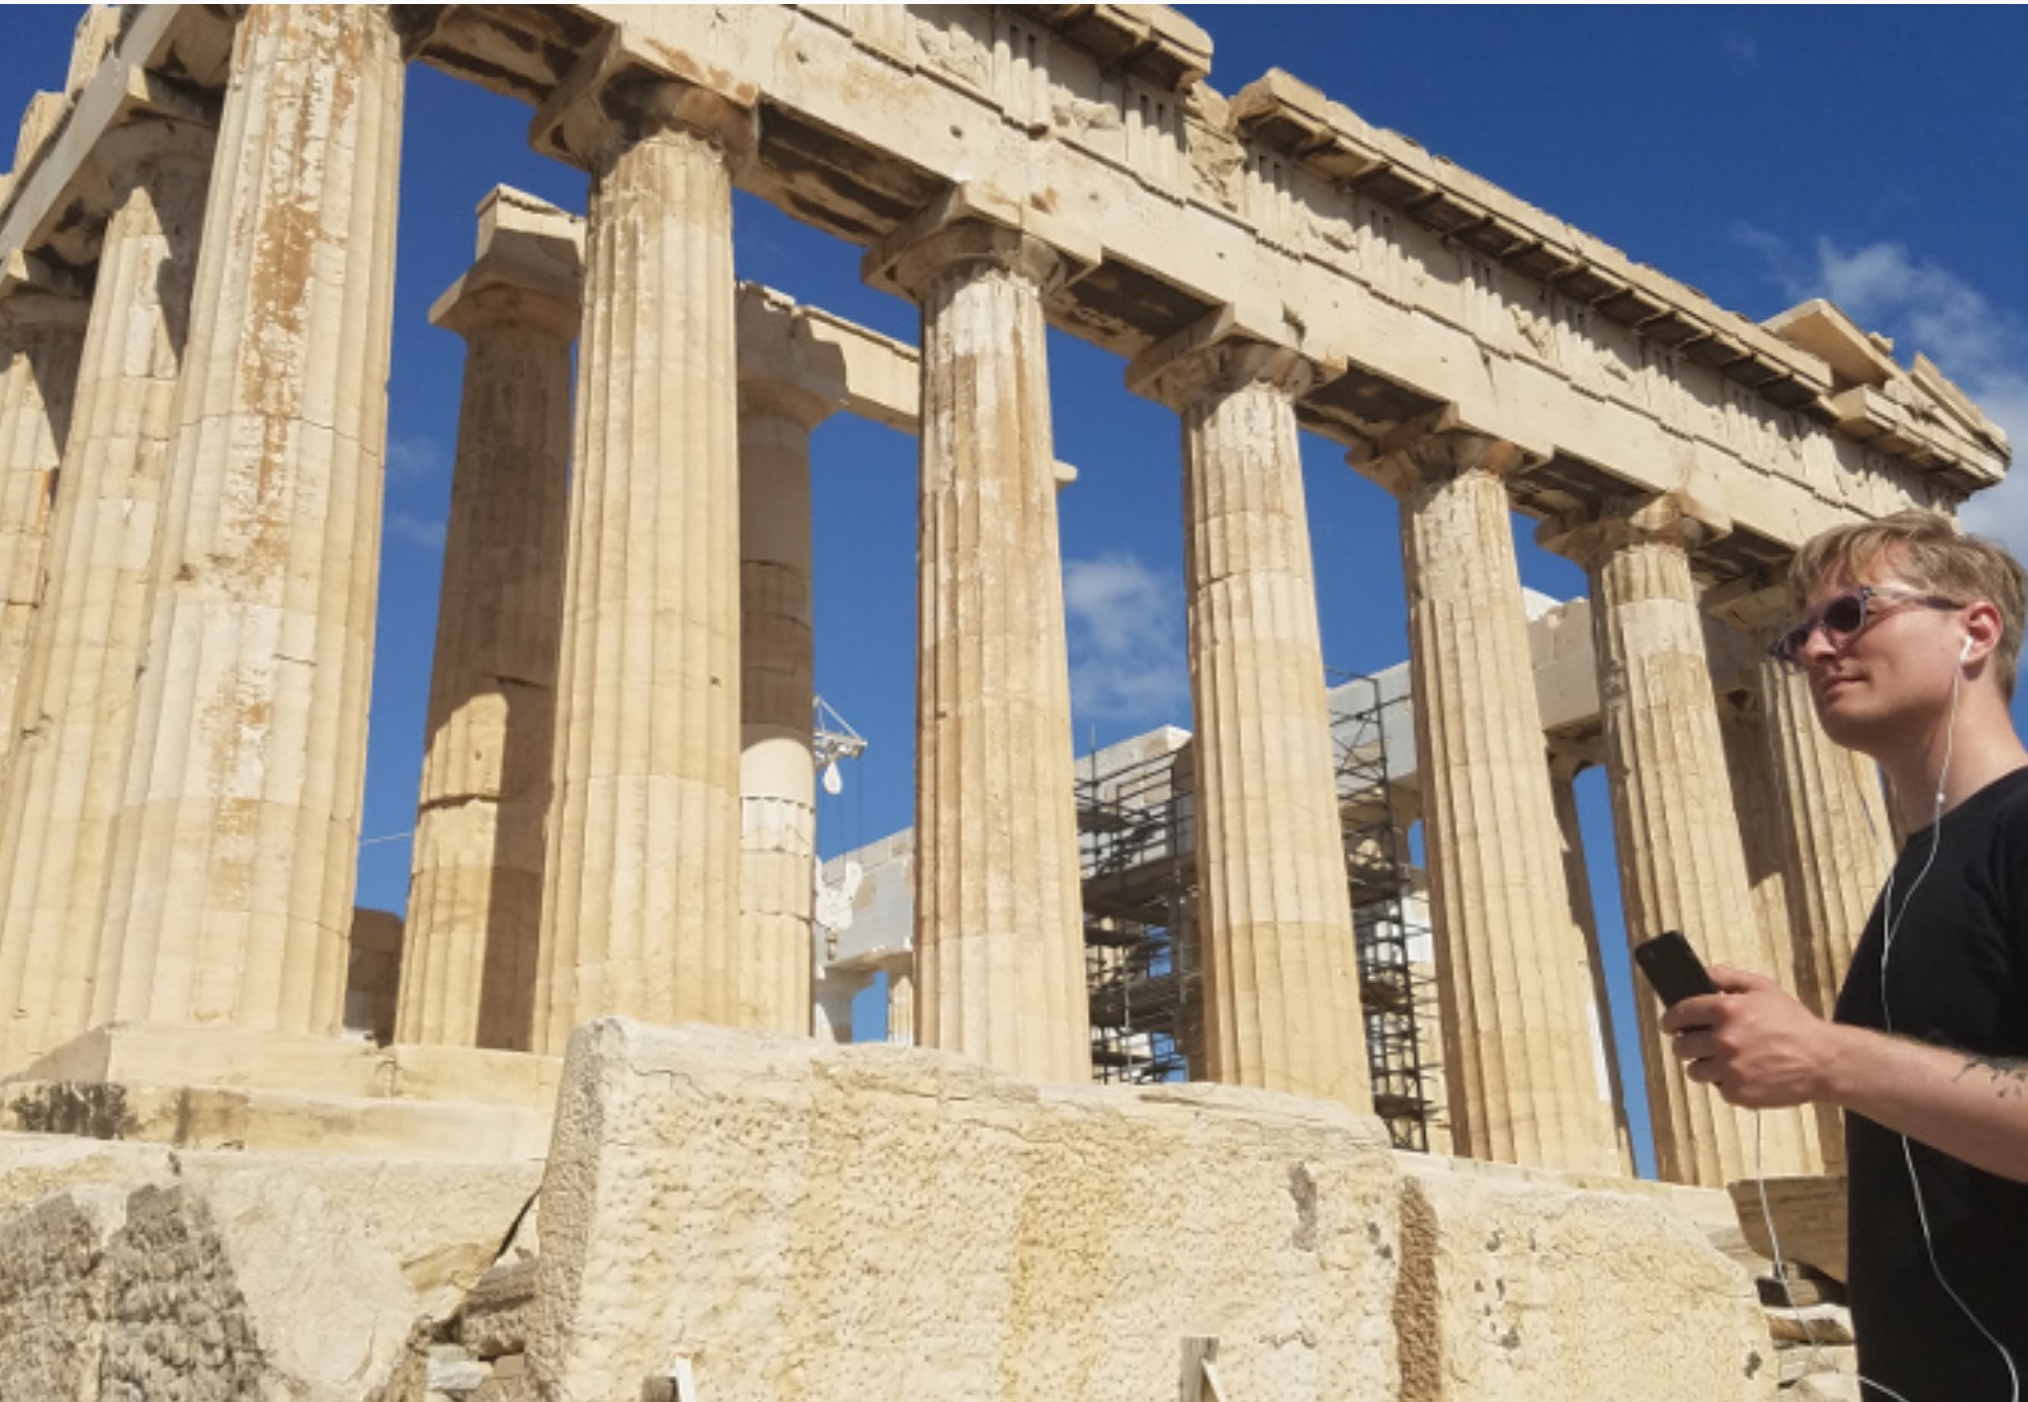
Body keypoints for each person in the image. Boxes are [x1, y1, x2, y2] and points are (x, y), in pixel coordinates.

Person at [1661, 509, 2028, 1402]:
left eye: (1854, 614)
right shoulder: (1917, 877)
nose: (1818, 650)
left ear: (1975, 629)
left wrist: (1828, 1056)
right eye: (1801, 635)